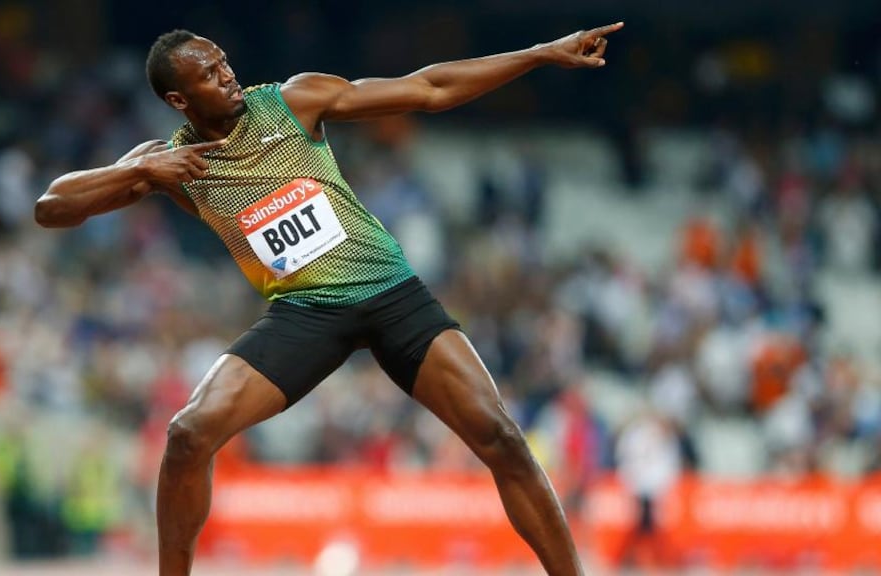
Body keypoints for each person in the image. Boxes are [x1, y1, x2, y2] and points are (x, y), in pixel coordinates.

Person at [35, 22, 624, 576]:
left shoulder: (294, 101)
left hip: (390, 292)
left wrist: (541, 53)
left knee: (502, 436)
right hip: (305, 313)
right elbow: (52, 207)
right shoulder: (171, 162)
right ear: (178, 101)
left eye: (225, 63)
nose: (228, 75)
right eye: (210, 74)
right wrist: (146, 170)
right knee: (188, 433)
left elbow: (430, 88)